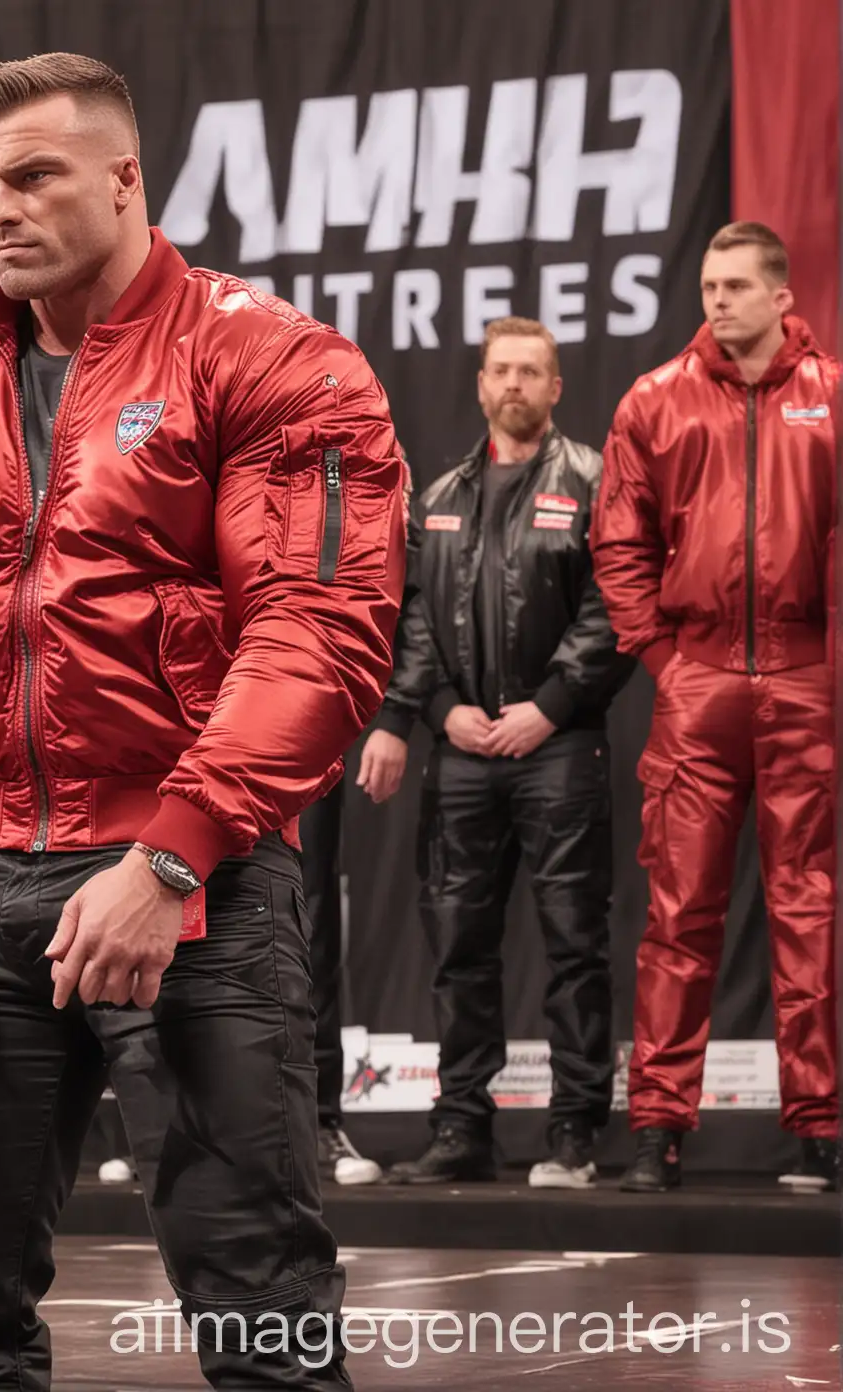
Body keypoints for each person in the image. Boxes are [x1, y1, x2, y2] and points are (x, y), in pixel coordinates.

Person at [0, 54, 407, 1390]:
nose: (2, 209)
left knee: (263, 1315)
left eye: (35, 177)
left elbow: (318, 635)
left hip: (189, 897)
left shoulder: (275, 360)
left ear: (129, 178)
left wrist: (173, 854)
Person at [591, 221, 838, 1195]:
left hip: (805, 679)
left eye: (737, 285)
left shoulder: (831, 397)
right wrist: (662, 655)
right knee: (677, 912)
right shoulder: (656, 401)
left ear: (783, 296)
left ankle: (821, 1127)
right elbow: (619, 543)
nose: (718, 300)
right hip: (696, 682)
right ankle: (657, 1127)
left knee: (810, 910)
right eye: (709, 284)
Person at [358, 316, 628, 1190]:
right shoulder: (438, 496)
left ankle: (575, 1135)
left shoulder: (591, 483)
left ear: (556, 388)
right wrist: (438, 711)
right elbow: (420, 623)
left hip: (558, 747)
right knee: (458, 946)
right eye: (501, 371)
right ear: (480, 386)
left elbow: (614, 608)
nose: (514, 385)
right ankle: (460, 1130)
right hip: (466, 753)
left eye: (532, 372)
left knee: (573, 945)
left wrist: (546, 709)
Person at [297, 771, 382, 1185]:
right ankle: (173, 1129)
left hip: (287, 738)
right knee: (188, 909)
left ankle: (318, 1124)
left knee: (311, 928)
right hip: (190, 734)